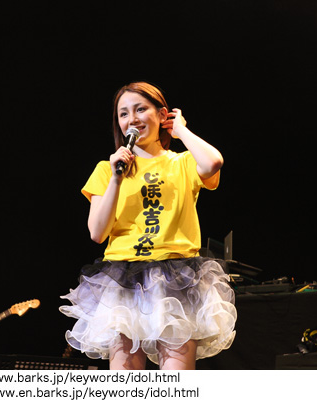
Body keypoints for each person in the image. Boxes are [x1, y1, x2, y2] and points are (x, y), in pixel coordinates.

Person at [59, 82, 236, 370]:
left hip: (175, 278)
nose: (132, 119)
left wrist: (180, 131)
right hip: (123, 279)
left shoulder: (182, 163)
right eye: (123, 114)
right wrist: (116, 178)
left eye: (140, 109)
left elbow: (213, 162)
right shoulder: (107, 169)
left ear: (162, 114)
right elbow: (97, 233)